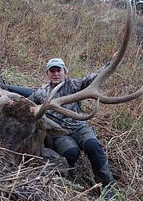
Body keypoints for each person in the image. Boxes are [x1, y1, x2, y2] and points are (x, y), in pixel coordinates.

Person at [27, 55, 118, 192]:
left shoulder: (74, 85)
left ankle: (107, 186)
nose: (56, 74)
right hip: (59, 132)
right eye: (52, 71)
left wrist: (112, 62)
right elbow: (26, 103)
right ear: (47, 74)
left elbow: (94, 76)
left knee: (93, 146)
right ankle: (68, 176)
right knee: (71, 152)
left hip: (79, 126)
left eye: (59, 70)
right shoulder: (41, 93)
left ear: (65, 72)